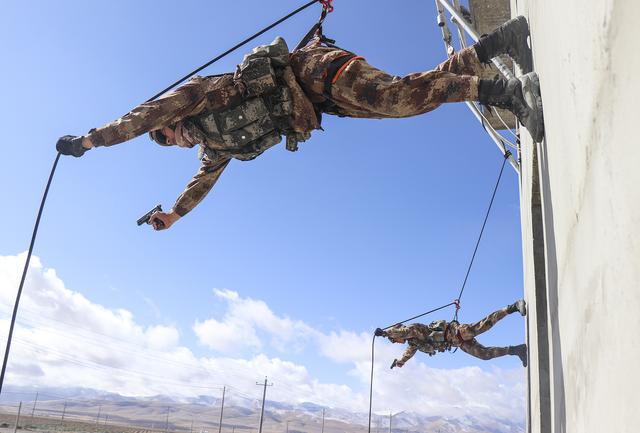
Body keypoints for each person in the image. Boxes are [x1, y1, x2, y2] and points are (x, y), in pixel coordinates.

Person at [57, 16, 543, 230]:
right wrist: (175, 216)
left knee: (399, 100)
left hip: (313, 71)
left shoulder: (193, 101)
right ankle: (501, 42)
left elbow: (142, 115)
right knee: (413, 96)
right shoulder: (214, 148)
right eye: (169, 142)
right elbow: (201, 184)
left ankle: (506, 93)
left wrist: (90, 141)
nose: (173, 139)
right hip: (319, 104)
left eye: (165, 136)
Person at [376, 299, 528, 367]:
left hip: (456, 333)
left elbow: (403, 332)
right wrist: (400, 362)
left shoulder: (413, 329)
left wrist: (386, 333)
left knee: (484, 325)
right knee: (484, 355)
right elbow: (407, 354)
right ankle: (516, 350)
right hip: (458, 342)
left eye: (395, 340)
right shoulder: (413, 343)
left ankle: (512, 307)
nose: (396, 342)